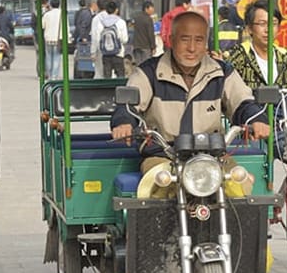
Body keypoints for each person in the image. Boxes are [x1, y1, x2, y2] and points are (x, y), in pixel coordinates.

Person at [111, 11, 270, 175]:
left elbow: (242, 101)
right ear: (171, 40)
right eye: (184, 39)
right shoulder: (148, 72)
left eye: (199, 40)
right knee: (158, 186)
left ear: (206, 43)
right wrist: (124, 121)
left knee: (239, 183)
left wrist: (256, 119)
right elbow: (129, 105)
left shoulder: (222, 72)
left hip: (212, 156)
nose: (192, 48)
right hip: (163, 156)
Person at [224, 1, 287, 240]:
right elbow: (222, 67)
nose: (267, 29)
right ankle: (256, 217)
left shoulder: (283, 56)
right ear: (249, 28)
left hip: (280, 126)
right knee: (255, 170)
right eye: (261, 24)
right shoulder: (239, 56)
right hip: (247, 129)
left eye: (272, 23)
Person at [91, 0, 128, 78]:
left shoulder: (101, 22)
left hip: (105, 54)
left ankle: (107, 90)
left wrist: (95, 51)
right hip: (118, 53)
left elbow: (97, 38)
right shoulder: (121, 22)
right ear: (116, 10)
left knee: (107, 76)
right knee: (120, 76)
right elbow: (125, 39)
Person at [41, 0, 63, 80]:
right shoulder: (62, 14)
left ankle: (49, 75)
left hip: (48, 39)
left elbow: (42, 25)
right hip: (58, 39)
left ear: (51, 5)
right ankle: (54, 76)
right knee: (56, 57)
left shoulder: (47, 14)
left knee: (48, 57)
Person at [131, 1, 156, 65]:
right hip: (146, 46)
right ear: (146, 9)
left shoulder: (136, 18)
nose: (152, 11)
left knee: (139, 65)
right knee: (146, 66)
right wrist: (153, 47)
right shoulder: (148, 19)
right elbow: (150, 34)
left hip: (136, 45)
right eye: (151, 9)